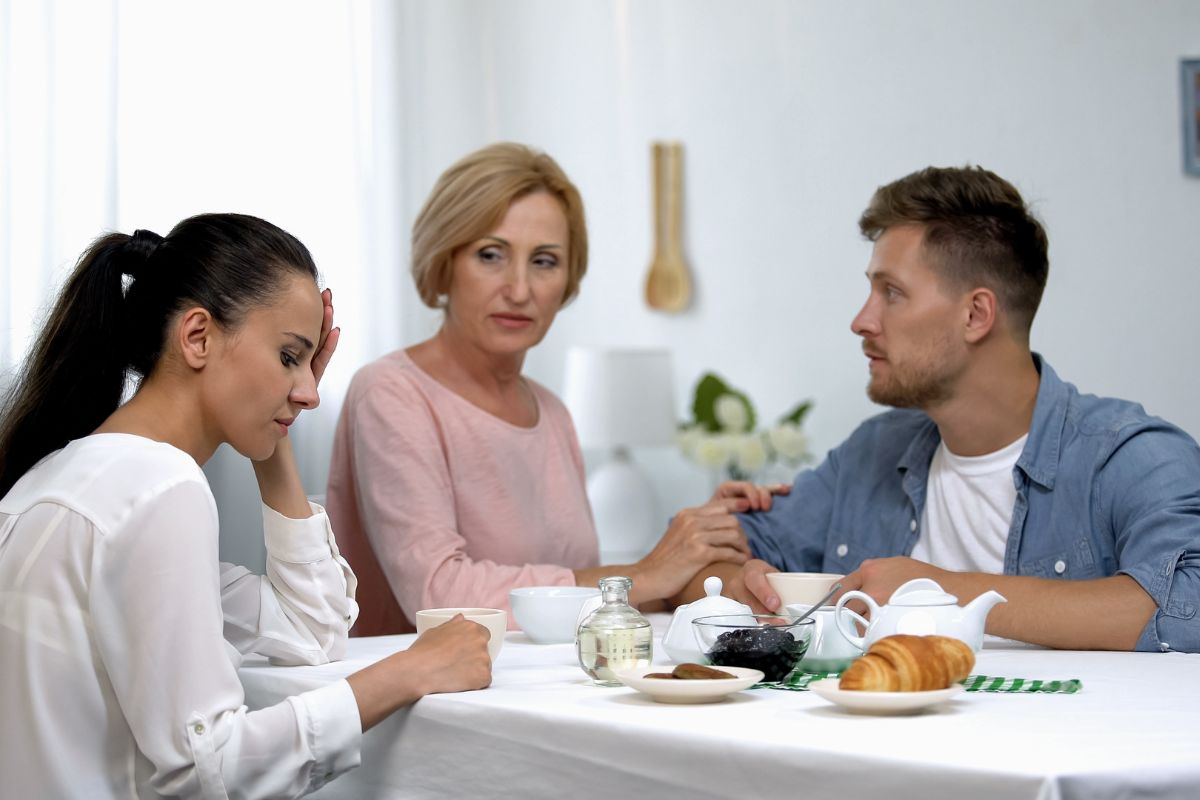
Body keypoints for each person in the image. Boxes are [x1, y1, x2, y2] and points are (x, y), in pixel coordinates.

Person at [0, 214, 492, 799]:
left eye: (311, 365)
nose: (310, 390)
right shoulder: (160, 488)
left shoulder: (61, 477)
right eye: (289, 356)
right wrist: (412, 670)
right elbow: (206, 771)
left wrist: (277, 425)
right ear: (198, 336)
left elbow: (310, 633)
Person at [679, 165, 1200, 653]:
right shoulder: (873, 453)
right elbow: (714, 556)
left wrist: (941, 591)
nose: (862, 320)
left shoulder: (1134, 457)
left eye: (892, 293)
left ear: (976, 314)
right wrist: (740, 586)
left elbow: (1190, 606)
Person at [326, 142, 768, 635]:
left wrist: (705, 537)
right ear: (443, 261)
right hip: (430, 705)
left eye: (544, 261)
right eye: (490, 255)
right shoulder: (390, 394)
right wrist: (642, 575)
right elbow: (440, 598)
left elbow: (579, 605)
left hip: (544, 692)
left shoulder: (552, 413)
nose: (520, 289)